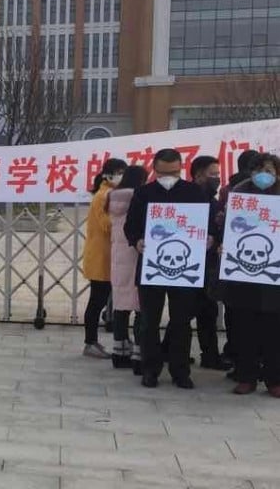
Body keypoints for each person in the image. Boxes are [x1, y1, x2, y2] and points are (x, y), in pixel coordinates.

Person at [124, 148, 220, 389]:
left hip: (186, 270)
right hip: (152, 267)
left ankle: (180, 371)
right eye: (163, 173)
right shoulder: (144, 193)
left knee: (181, 321)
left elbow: (209, 223)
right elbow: (130, 225)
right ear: (154, 170)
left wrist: (210, 238)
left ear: (181, 169)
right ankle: (150, 369)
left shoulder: (194, 192)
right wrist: (137, 240)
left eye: (174, 173)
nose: (168, 178)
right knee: (149, 321)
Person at [221, 152, 280, 397]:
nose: (263, 175)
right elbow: (225, 226)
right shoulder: (240, 193)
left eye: (269, 171)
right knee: (244, 328)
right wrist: (223, 242)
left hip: (274, 277)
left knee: (274, 331)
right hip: (243, 275)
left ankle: (274, 379)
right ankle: (246, 376)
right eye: (258, 171)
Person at [81, 158, 127, 358]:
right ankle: (90, 342)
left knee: (99, 300)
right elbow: (107, 224)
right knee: (97, 301)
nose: (121, 176)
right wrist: (125, 218)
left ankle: (92, 342)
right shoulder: (103, 196)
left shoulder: (110, 194)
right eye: (119, 172)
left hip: (107, 256)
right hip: (101, 257)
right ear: (108, 174)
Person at [108, 164, 148, 372]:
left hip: (117, 256)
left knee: (121, 307)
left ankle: (119, 351)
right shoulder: (140, 197)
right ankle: (139, 354)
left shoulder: (112, 197)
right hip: (136, 254)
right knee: (141, 306)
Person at [189, 155, 228, 370]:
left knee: (204, 310)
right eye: (213, 174)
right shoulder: (189, 198)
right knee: (194, 310)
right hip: (190, 265)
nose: (217, 178)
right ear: (198, 176)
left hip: (208, 263)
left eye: (218, 174)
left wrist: (216, 237)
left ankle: (209, 355)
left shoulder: (212, 201)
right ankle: (209, 355)